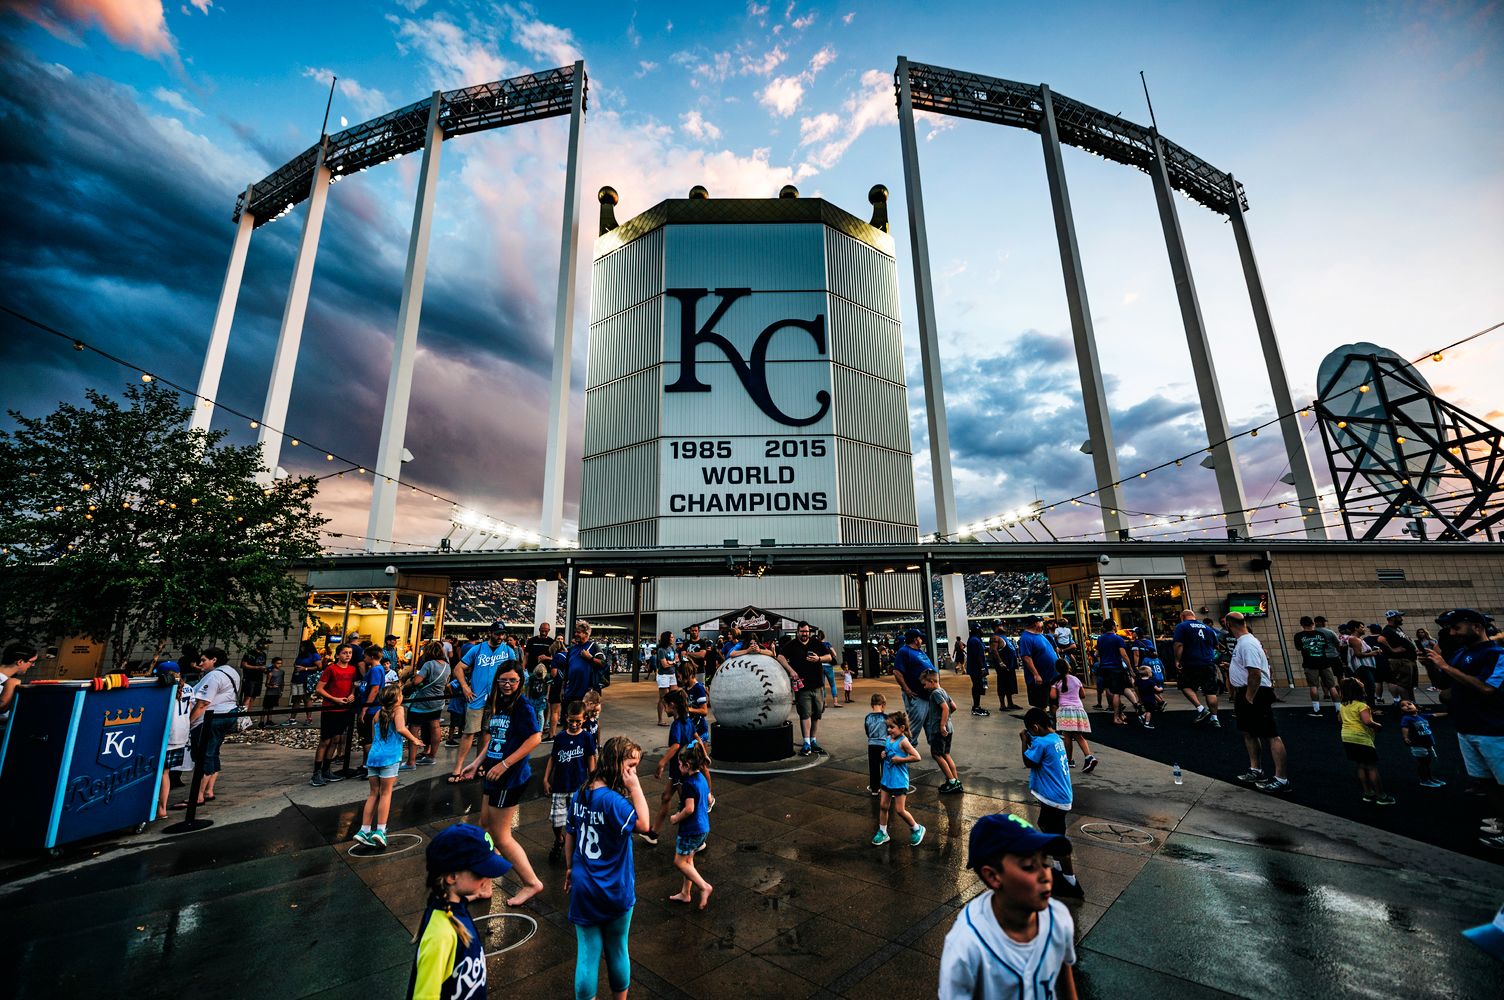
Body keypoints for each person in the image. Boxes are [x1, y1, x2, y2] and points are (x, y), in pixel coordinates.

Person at [938, 813, 1078, 1000]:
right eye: (1029, 866)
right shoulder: (966, 946)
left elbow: (1065, 978)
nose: (1046, 875)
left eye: (1044, 862)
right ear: (993, 877)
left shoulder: (1059, 919)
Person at [565, 736, 651, 1000]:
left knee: (588, 954)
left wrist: (570, 868)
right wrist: (635, 788)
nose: (633, 772)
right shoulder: (615, 802)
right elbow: (645, 825)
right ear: (616, 764)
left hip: (584, 886)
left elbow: (570, 832)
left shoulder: (581, 792)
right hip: (615, 887)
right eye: (630, 767)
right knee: (617, 948)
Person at [459, 659, 545, 905]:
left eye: (513, 680)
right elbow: (496, 737)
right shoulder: (499, 702)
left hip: (510, 777)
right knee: (484, 826)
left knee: (501, 836)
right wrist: (478, 762)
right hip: (492, 773)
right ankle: (485, 885)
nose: (508, 685)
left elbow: (535, 738)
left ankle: (531, 882)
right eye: (504, 680)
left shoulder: (522, 706)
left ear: (521, 681)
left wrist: (505, 764)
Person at [1422, 608, 1504, 847]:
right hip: (1467, 727)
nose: (1452, 632)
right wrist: (1431, 666)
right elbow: (1443, 684)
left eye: (1456, 627)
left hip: (1494, 730)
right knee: (1485, 781)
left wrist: (1445, 666)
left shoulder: (1496, 654)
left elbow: (1487, 688)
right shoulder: (1460, 653)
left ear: (1477, 626)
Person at [407, 823, 509, 1000]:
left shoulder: (455, 909)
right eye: (480, 871)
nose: (487, 877)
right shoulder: (441, 935)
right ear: (452, 877)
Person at [1019, 708, 1083, 898]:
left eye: (1030, 731)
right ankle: (1058, 870)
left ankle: (1071, 882)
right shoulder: (1055, 739)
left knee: (1057, 838)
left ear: (1036, 727)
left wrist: (1024, 741)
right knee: (1045, 825)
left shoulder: (1042, 743)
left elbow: (1028, 761)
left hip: (1054, 799)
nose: (1030, 735)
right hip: (1059, 796)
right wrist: (1032, 738)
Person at [1225, 612, 1290, 794]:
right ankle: (1256, 769)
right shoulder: (1243, 643)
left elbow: (1255, 673)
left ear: (1230, 624)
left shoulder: (1247, 643)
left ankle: (1281, 779)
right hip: (1246, 691)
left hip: (1255, 693)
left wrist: (1249, 697)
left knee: (1270, 734)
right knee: (1248, 732)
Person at [355, 687, 423, 848]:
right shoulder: (398, 710)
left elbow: (373, 736)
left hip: (374, 756)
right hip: (389, 757)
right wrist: (414, 739)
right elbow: (400, 728)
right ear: (397, 699)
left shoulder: (378, 713)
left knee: (373, 794)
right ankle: (380, 830)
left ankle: (363, 830)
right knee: (385, 794)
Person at [449, 622, 514, 785]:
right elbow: (458, 668)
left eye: (502, 634)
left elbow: (515, 672)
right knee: (469, 732)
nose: (500, 637)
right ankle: (457, 768)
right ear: (490, 633)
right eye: (497, 633)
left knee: (486, 733)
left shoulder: (508, 651)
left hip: (496, 700)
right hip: (476, 698)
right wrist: (464, 686)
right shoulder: (477, 649)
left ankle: (479, 765)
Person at [545, 700, 597, 865]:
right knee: (556, 820)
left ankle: (576, 845)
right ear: (566, 717)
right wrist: (546, 779)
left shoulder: (587, 737)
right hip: (560, 785)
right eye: (571, 720)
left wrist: (593, 779)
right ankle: (559, 840)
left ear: (584, 719)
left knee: (579, 819)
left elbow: (591, 759)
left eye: (578, 721)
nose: (574, 724)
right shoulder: (560, 737)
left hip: (579, 786)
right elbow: (553, 758)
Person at [185, 648, 237, 805]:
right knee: (213, 752)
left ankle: (198, 795)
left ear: (214, 660)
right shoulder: (231, 671)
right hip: (227, 714)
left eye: (203, 660)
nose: (201, 664)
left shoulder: (214, 676)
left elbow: (203, 703)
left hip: (211, 718)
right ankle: (208, 790)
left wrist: (188, 723)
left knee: (203, 754)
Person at [643, 689, 695, 846]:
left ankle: (696, 838)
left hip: (679, 771)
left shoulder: (677, 725)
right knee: (665, 797)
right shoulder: (688, 722)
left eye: (665, 706)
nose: (664, 710)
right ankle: (654, 833)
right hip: (679, 770)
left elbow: (675, 745)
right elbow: (694, 739)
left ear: (672, 706)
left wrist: (661, 762)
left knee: (687, 806)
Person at [669, 741, 714, 909]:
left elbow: (689, 809)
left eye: (680, 764)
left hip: (691, 829)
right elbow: (708, 799)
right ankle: (685, 893)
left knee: (679, 862)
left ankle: (704, 886)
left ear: (687, 765)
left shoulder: (688, 784)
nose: (678, 767)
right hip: (703, 828)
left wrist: (675, 818)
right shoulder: (701, 777)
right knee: (688, 860)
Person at [779, 621, 832, 756]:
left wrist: (819, 658)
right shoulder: (792, 645)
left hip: (818, 685)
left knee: (817, 714)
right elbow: (780, 657)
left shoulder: (816, 643)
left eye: (807, 632)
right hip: (803, 686)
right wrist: (791, 671)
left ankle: (813, 741)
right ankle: (806, 743)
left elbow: (830, 657)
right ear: (798, 631)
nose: (805, 634)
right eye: (802, 631)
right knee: (805, 714)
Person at [1337, 677, 1392, 806]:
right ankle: (1381, 796)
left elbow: (1340, 720)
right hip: (1361, 738)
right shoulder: (1362, 706)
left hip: (1347, 737)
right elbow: (1367, 721)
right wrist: (1378, 726)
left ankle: (1368, 792)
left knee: (1361, 765)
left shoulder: (1343, 706)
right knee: (1372, 767)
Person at [873, 711, 925, 847]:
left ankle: (917, 828)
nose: (889, 730)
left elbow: (917, 757)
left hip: (899, 780)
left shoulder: (904, 742)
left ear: (901, 728)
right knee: (883, 806)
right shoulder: (889, 739)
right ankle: (883, 832)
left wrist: (901, 759)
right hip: (887, 778)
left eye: (892, 727)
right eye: (888, 727)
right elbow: (889, 752)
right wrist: (883, 754)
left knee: (900, 810)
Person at [312, 643, 358, 786]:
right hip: (330, 709)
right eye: (345, 653)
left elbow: (353, 685)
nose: (348, 655)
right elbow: (319, 688)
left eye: (350, 653)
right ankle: (316, 773)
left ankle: (327, 769)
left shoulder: (352, 669)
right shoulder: (331, 669)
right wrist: (334, 699)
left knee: (336, 739)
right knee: (325, 740)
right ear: (338, 655)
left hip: (344, 709)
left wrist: (352, 694)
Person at [157, 659, 194, 819]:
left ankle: (157, 807)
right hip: (181, 734)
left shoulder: (162, 689)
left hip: (166, 734)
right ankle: (162, 808)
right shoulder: (189, 688)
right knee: (166, 773)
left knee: (159, 773)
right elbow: (190, 709)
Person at [1172, 610, 1221, 726]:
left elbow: (1178, 644)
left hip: (1191, 662)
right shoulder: (1208, 628)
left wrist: (1177, 660)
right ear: (1194, 616)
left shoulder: (1181, 626)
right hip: (1208, 663)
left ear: (1182, 617)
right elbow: (1216, 645)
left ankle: (1201, 709)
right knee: (1210, 691)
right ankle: (1215, 718)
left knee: (1184, 685)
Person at [406, 641, 450, 768]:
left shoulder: (429, 664)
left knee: (414, 728)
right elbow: (446, 682)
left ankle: (411, 761)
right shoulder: (446, 666)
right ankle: (431, 756)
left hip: (422, 702)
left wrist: (414, 679)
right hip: (437, 701)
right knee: (435, 727)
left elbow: (416, 682)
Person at [1053, 660, 1097, 773]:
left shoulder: (1056, 681)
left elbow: (1052, 696)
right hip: (1078, 710)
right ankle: (1087, 757)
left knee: (1067, 736)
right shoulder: (1076, 679)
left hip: (1065, 711)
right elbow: (1082, 695)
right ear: (1069, 667)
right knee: (1078, 735)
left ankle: (1071, 759)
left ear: (1057, 669)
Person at [1094, 622, 1142, 727]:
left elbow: (1097, 653)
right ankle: (1117, 716)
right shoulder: (1117, 639)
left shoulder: (1100, 639)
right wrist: (1130, 668)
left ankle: (1124, 711)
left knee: (1115, 689)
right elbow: (1124, 654)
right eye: (1115, 625)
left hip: (1104, 668)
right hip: (1116, 667)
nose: (1116, 627)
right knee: (1117, 692)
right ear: (1112, 627)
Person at [894, 627, 936, 740]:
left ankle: (936, 748)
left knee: (930, 724)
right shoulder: (904, 651)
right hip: (917, 695)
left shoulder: (919, 651)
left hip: (928, 694)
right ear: (915, 639)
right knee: (914, 726)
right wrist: (907, 690)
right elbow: (897, 672)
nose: (921, 640)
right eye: (920, 638)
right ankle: (905, 750)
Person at [1294, 615, 1340, 717]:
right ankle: (1338, 709)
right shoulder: (1320, 634)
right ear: (1312, 623)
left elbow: (1299, 648)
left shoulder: (1298, 636)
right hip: (1324, 662)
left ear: (1302, 625)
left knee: (1313, 686)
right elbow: (1325, 646)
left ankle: (1316, 709)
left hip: (1309, 664)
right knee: (1331, 686)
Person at [1017, 616, 1060, 714]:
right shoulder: (1026, 638)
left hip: (1052, 676)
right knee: (1041, 705)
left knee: (1054, 702)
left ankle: (1054, 725)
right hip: (1041, 678)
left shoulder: (1040, 635)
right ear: (1035, 623)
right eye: (1040, 622)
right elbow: (1026, 657)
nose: (1042, 624)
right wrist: (1036, 674)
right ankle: (1043, 726)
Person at [523, 621, 559, 738]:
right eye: (542, 630)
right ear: (539, 629)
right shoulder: (532, 640)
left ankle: (544, 724)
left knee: (545, 699)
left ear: (549, 631)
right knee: (530, 696)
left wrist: (546, 657)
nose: (544, 632)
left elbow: (555, 657)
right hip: (531, 671)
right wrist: (523, 667)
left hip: (546, 673)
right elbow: (526, 655)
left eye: (546, 630)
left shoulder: (551, 642)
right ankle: (531, 723)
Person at [1399, 699, 1444, 788]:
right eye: (1403, 705)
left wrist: (1448, 713)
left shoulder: (1422, 716)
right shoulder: (1407, 718)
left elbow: (1435, 715)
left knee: (1427, 762)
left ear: (1416, 706)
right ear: (1401, 710)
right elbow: (1404, 727)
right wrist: (1405, 737)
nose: (1407, 706)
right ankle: (1424, 780)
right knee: (1423, 762)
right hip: (1417, 744)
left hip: (1427, 743)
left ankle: (1430, 778)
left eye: (1409, 704)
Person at [1378, 610, 1419, 706]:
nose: (1401, 618)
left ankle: (1412, 703)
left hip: (1408, 659)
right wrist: (1393, 650)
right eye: (1399, 617)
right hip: (1400, 660)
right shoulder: (1388, 629)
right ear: (1393, 618)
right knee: (1403, 684)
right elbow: (1380, 639)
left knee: (1409, 685)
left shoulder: (1397, 628)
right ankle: (1406, 704)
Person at [0, 643, 38, 733]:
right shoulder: (10, 682)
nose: (32, 665)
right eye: (31, 662)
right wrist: (10, 685)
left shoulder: (9, 680)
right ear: (20, 661)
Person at [1343, 620, 1381, 709]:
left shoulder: (1360, 639)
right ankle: (1371, 708)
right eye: (1362, 627)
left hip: (1366, 666)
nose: (1364, 629)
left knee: (1369, 687)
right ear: (1356, 628)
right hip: (1362, 667)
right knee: (1370, 687)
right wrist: (1372, 653)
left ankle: (1368, 708)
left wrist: (1371, 651)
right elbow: (1358, 654)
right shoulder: (1354, 639)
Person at [562, 621, 601, 705]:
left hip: (586, 693)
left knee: (584, 717)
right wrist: (563, 689)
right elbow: (566, 671)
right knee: (567, 716)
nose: (575, 634)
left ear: (586, 634)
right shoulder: (572, 649)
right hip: (570, 692)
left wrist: (590, 658)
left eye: (578, 632)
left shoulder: (593, 647)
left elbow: (603, 664)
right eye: (575, 632)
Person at [865, 693, 889, 796]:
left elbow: (867, 731)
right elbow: (889, 731)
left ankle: (875, 788)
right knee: (886, 767)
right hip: (884, 744)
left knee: (873, 767)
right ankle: (887, 788)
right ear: (883, 704)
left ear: (871, 705)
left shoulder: (868, 717)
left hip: (872, 744)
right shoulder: (886, 717)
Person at [291, 640, 321, 724]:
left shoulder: (314, 655)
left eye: (303, 646)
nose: (301, 648)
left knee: (306, 698)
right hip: (297, 678)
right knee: (296, 699)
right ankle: (292, 718)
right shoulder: (301, 655)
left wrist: (306, 668)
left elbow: (319, 667)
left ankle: (309, 718)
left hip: (306, 679)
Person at [653, 631, 679, 726]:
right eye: (671, 637)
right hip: (663, 675)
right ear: (667, 638)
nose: (673, 638)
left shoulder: (672, 648)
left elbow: (677, 659)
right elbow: (664, 665)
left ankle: (676, 718)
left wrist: (671, 662)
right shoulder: (661, 650)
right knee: (663, 698)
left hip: (672, 674)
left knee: (675, 697)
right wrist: (672, 662)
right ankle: (660, 720)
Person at [991, 627, 1019, 712]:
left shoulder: (1004, 637)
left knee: (1009, 685)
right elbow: (994, 650)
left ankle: (1010, 703)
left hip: (1010, 666)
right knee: (1002, 685)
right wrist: (1000, 662)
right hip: (1003, 666)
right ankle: (1002, 705)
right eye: (999, 625)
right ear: (995, 628)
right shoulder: (995, 637)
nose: (1002, 627)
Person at [966, 624, 990, 717]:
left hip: (975, 668)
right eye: (981, 629)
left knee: (978, 686)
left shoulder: (975, 639)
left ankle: (977, 706)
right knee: (977, 686)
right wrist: (982, 667)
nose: (982, 631)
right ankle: (976, 707)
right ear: (977, 630)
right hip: (976, 668)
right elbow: (978, 655)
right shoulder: (974, 640)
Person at [238, 644, 266, 715]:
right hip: (250, 677)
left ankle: (248, 715)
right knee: (248, 696)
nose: (267, 645)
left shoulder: (263, 654)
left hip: (259, 677)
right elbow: (243, 665)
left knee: (253, 697)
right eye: (266, 643)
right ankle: (242, 716)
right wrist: (257, 667)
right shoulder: (250, 653)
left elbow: (262, 665)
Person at [261, 657, 285, 728]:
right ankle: (262, 721)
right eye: (278, 663)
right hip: (270, 692)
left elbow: (282, 682)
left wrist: (281, 690)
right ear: (274, 663)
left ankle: (269, 720)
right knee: (266, 707)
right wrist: (271, 686)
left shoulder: (282, 672)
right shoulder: (270, 673)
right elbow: (266, 684)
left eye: (280, 663)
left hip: (277, 691)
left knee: (271, 707)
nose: (279, 665)